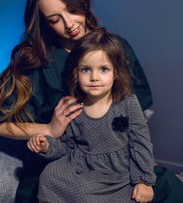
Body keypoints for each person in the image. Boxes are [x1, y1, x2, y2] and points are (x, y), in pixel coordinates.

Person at [0, 0, 182, 202]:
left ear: (83, 1)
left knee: (168, 190)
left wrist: (131, 155)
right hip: (66, 161)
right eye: (54, 19)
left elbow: (137, 114)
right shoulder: (37, 60)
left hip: (115, 165)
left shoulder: (115, 46)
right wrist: (47, 129)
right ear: (45, 23)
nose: (69, 24)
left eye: (72, 9)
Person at [28, 29, 156, 203]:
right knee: (49, 176)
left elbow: (141, 143)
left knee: (86, 195)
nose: (94, 77)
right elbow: (67, 147)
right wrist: (47, 146)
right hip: (80, 165)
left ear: (116, 73)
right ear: (76, 72)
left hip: (115, 173)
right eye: (86, 70)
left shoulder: (127, 102)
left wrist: (144, 181)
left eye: (103, 69)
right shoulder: (75, 106)